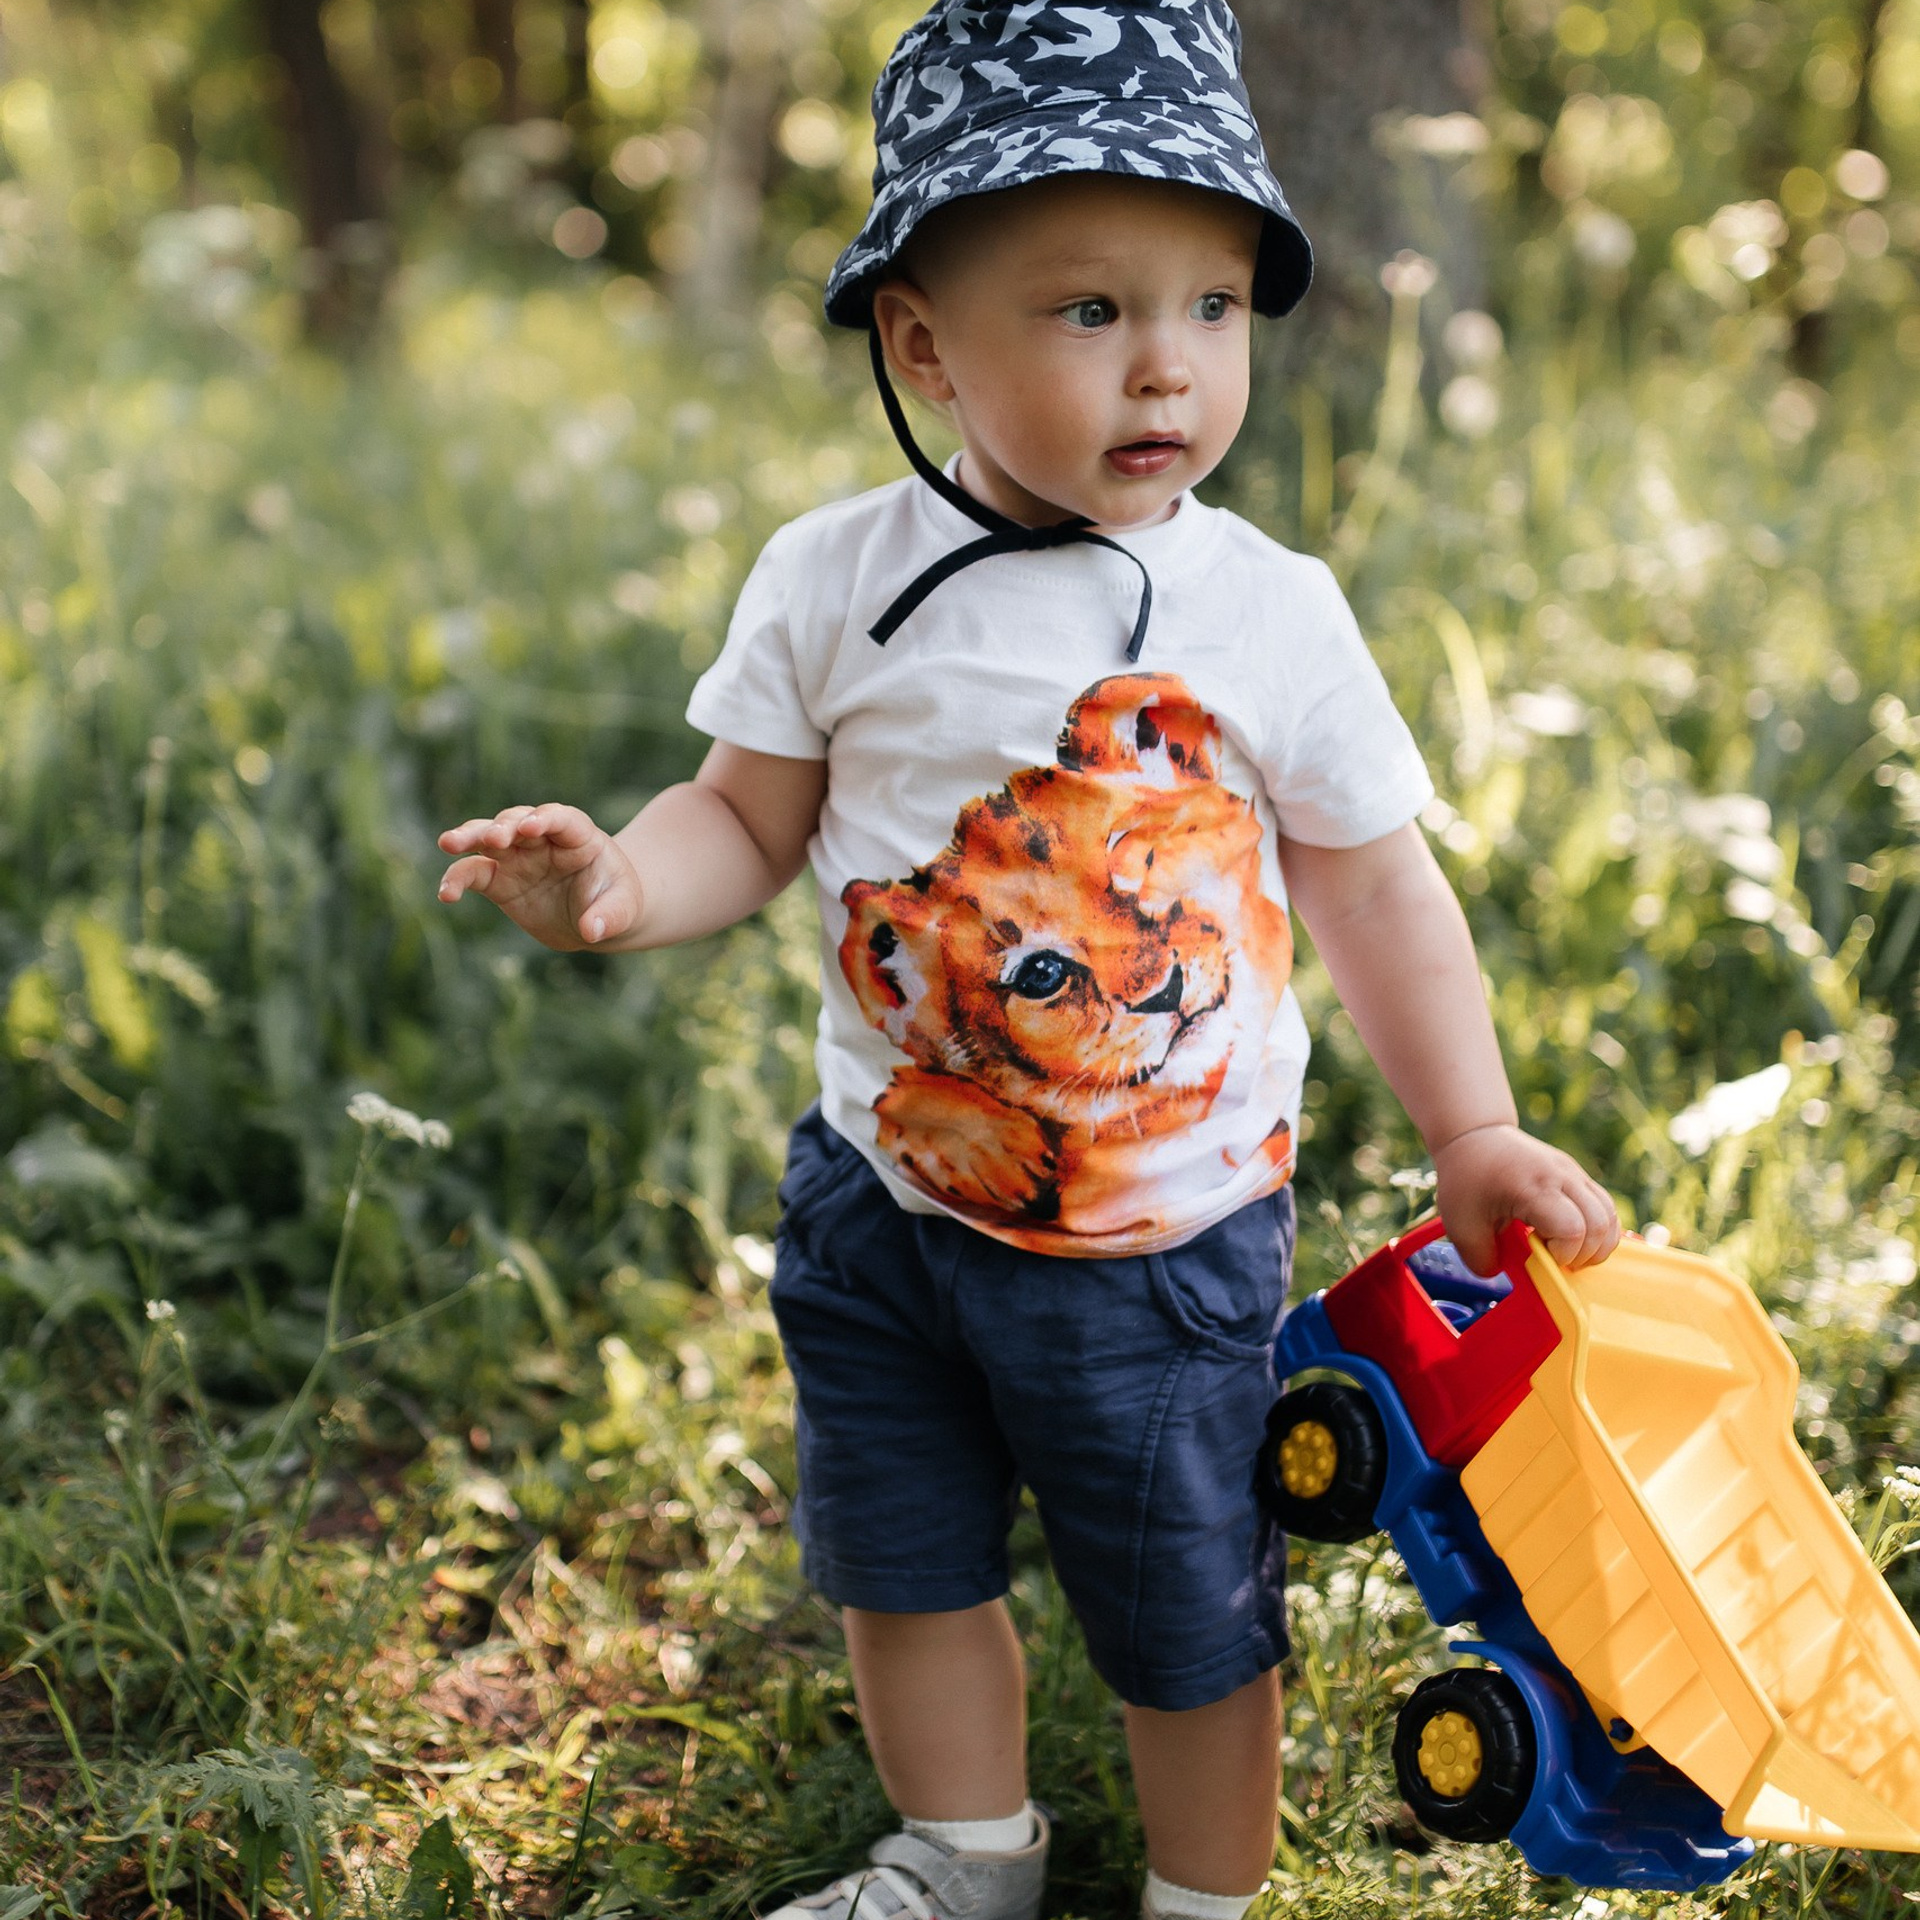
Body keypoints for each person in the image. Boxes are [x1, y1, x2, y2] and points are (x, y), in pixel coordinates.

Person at [436, 3, 1622, 1915]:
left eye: (1214, 307)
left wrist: (1469, 1131)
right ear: (922, 340)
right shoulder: (832, 578)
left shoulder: (1265, 613)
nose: (1169, 366)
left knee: (1187, 1608)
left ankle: (1206, 1897)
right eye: (1089, 312)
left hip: (1156, 1258)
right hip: (883, 1200)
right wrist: (619, 888)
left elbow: (1378, 889)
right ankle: (961, 1853)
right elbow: (744, 814)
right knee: (901, 1564)